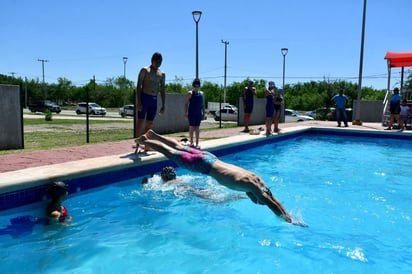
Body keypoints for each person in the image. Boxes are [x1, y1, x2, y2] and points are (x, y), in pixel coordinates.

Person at [138, 130, 307, 226]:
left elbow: (272, 199)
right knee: (169, 152)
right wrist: (290, 221)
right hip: (203, 165)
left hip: (210, 158)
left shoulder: (256, 180)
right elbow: (271, 204)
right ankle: (144, 141)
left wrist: (288, 214)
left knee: (178, 146)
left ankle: (153, 134)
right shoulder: (255, 187)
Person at [135, 52, 166, 140]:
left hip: (154, 99)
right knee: (140, 121)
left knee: (149, 123)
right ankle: (137, 142)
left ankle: (146, 145)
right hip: (145, 97)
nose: (158, 64)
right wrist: (139, 102)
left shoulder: (162, 74)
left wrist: (163, 105)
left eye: (160, 62)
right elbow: (138, 86)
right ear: (152, 60)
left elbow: (162, 89)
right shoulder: (145, 70)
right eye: (157, 62)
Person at [184, 78, 204, 148]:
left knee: (197, 128)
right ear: (193, 86)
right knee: (191, 127)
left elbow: (202, 105)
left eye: (197, 86)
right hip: (191, 113)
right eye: (195, 86)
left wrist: (203, 113)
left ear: (199, 86)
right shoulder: (190, 93)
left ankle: (197, 143)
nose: (196, 87)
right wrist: (185, 113)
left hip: (198, 113)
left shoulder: (201, 94)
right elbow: (186, 104)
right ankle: (191, 142)